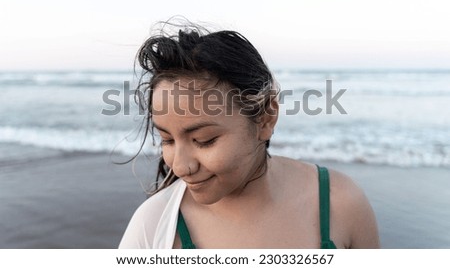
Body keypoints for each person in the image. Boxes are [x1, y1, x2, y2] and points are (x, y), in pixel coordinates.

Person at [119, 20, 380, 249]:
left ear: (265, 117)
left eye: (204, 140)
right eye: (168, 140)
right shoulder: (152, 227)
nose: (180, 166)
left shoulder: (340, 203)